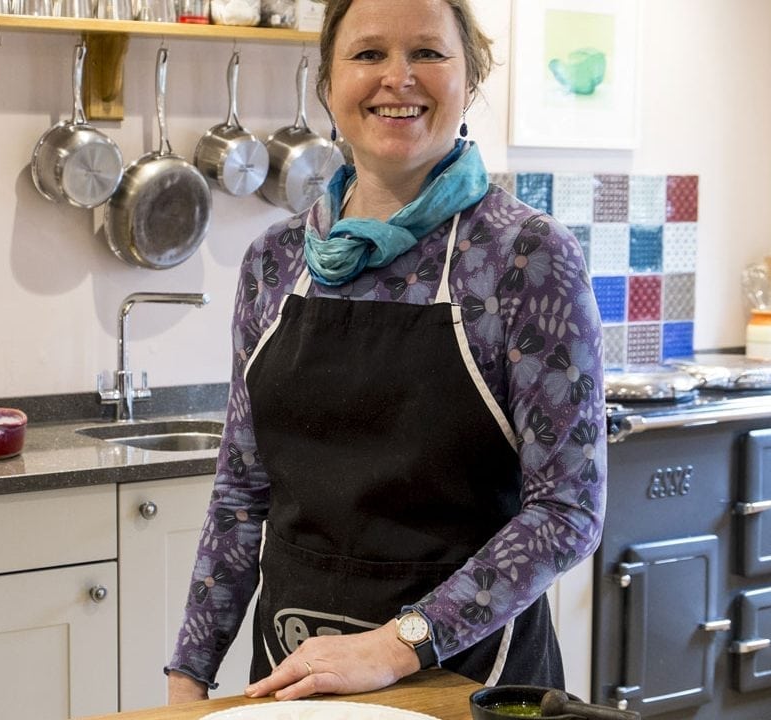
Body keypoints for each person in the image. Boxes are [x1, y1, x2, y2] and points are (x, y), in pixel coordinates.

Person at [166, 0, 607, 704]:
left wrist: (396, 645)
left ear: (471, 79)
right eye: (368, 54)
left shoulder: (525, 256)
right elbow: (242, 495)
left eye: (427, 54)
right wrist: (189, 677)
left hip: (469, 676)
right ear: (328, 84)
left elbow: (567, 511)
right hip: (293, 676)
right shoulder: (275, 262)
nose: (397, 78)